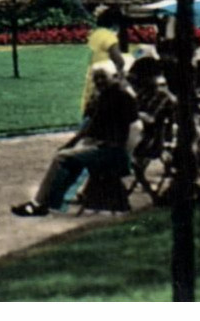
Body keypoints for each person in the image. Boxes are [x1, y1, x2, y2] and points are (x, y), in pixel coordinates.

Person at [13, 62, 140, 216]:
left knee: (62, 158)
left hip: (112, 151)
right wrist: (70, 144)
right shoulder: (105, 96)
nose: (99, 82)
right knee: (70, 158)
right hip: (102, 147)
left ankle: (40, 204)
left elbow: (136, 127)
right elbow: (88, 129)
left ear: (114, 77)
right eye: (96, 79)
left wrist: (126, 154)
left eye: (103, 78)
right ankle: (48, 203)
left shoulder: (122, 97)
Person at [81, 6, 126, 113]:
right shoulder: (109, 37)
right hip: (106, 76)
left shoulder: (94, 34)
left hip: (93, 73)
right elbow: (119, 61)